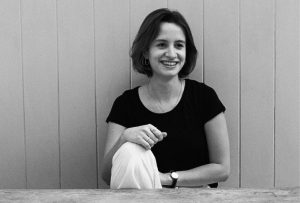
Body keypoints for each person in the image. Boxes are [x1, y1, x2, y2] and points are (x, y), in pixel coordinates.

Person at [101, 8, 230, 189]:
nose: (171, 53)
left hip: (197, 198)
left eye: (179, 45)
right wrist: (124, 138)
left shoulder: (204, 97)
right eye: (161, 45)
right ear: (146, 51)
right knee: (130, 150)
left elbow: (222, 169)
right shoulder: (125, 104)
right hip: (141, 201)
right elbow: (108, 176)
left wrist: (166, 178)